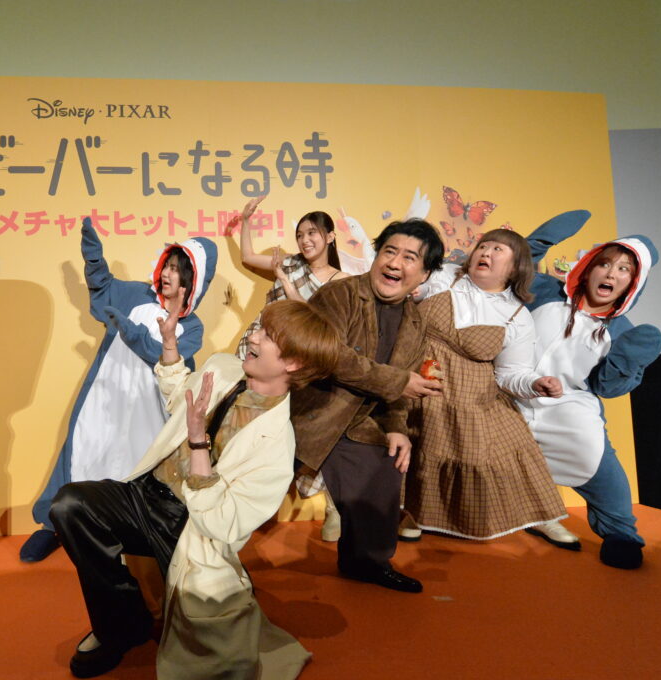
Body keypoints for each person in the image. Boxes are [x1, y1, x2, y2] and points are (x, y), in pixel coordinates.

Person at [50, 297, 340, 679]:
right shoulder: (222, 366)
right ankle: (121, 626)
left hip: (189, 525)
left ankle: (223, 600)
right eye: (260, 327)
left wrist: (198, 442)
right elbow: (180, 399)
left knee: (213, 650)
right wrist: (170, 345)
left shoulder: (276, 445)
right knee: (70, 506)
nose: (254, 336)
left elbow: (223, 523)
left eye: (268, 336)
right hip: (145, 491)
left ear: (294, 363)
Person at [21, 217, 217, 562]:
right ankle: (53, 524)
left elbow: (167, 360)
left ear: (193, 280)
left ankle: (127, 532)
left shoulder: (192, 327)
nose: (167, 273)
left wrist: (134, 333)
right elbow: (103, 288)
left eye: (177, 269)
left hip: (148, 405)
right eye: (167, 265)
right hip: (106, 391)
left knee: (137, 464)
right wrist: (94, 259)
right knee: (85, 448)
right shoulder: (137, 295)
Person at [291, 219, 445, 593]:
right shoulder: (339, 295)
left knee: (387, 465)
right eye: (389, 251)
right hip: (315, 411)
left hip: (362, 419)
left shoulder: (415, 321)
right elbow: (331, 356)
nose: (395, 263)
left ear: (423, 274)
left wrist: (397, 428)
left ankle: (367, 562)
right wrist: (398, 382)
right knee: (255, 492)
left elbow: (402, 385)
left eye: (409, 258)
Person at [402, 230, 569, 542]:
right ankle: (413, 512)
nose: (486, 252)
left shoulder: (517, 315)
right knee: (418, 443)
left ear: (515, 267)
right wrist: (413, 289)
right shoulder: (445, 277)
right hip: (421, 380)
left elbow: (510, 373)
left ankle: (539, 515)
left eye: (498, 249)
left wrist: (535, 383)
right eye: (483, 246)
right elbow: (413, 288)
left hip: (472, 394)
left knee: (506, 444)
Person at [519, 211, 661, 569]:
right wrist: (539, 242)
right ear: (589, 267)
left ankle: (621, 534)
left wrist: (628, 363)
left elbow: (607, 388)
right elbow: (513, 269)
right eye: (605, 264)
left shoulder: (621, 330)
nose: (612, 274)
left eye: (624, 270)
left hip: (569, 409)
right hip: (511, 394)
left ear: (633, 283)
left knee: (601, 468)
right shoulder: (546, 291)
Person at [232, 195, 349, 541]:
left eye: (312, 233)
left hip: (298, 361)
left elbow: (315, 321)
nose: (305, 240)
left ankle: (332, 506)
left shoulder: (342, 281)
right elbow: (247, 256)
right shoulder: (291, 263)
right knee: (245, 422)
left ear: (330, 236)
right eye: (300, 235)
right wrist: (246, 220)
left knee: (304, 431)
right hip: (258, 346)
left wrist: (285, 282)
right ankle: (236, 501)